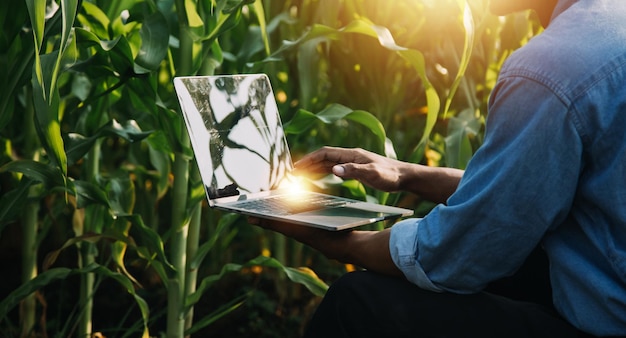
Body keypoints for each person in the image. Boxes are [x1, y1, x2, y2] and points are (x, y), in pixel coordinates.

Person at [249, 0, 626, 336]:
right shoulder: (611, 27)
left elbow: (462, 254)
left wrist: (335, 241)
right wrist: (407, 174)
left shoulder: (553, 67)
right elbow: (524, 192)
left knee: (358, 303)